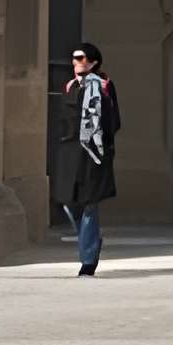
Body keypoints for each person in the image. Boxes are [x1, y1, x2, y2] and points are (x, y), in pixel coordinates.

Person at [55, 41, 121, 277]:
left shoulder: (104, 86)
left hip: (93, 155)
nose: (76, 62)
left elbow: (114, 121)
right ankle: (90, 238)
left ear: (93, 61)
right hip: (70, 154)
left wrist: (100, 144)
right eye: (74, 58)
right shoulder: (70, 86)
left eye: (81, 58)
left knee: (90, 206)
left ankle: (88, 259)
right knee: (67, 203)